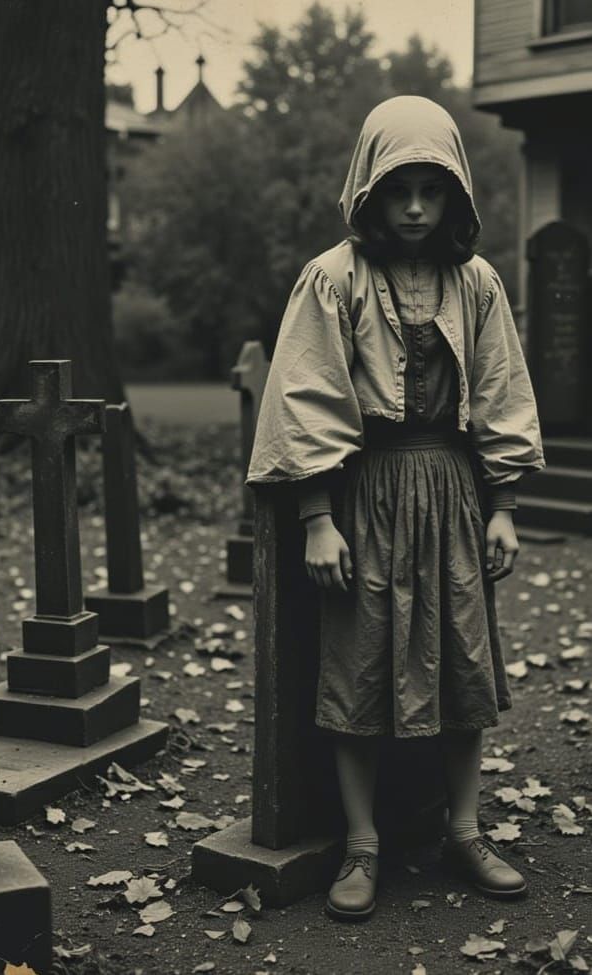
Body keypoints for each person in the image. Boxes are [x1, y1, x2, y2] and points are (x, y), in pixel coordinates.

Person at [246, 96, 545, 922]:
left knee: (461, 661)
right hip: (365, 494)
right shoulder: (332, 278)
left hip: (451, 494)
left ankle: (462, 827)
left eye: (431, 190)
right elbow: (304, 395)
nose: (414, 208)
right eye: (398, 189)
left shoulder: (475, 281)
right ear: (369, 191)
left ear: (455, 196)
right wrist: (315, 515)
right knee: (359, 664)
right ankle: (362, 844)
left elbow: (499, 390)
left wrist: (502, 505)